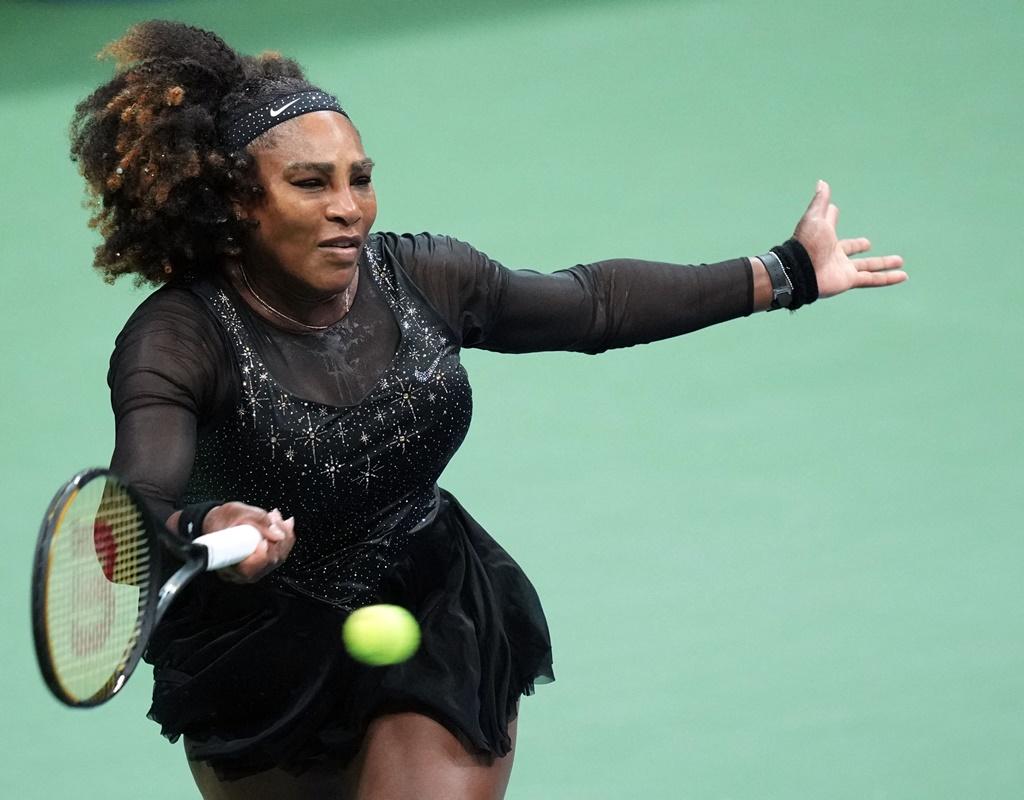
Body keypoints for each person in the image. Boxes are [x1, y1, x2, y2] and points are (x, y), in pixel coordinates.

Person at [70, 20, 906, 800]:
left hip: (434, 607)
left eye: (360, 179)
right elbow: (133, 512)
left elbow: (591, 305)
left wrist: (788, 271)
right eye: (310, 183)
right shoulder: (177, 339)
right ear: (236, 203)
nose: (348, 208)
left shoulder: (425, 278)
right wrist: (209, 523)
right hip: (256, 655)